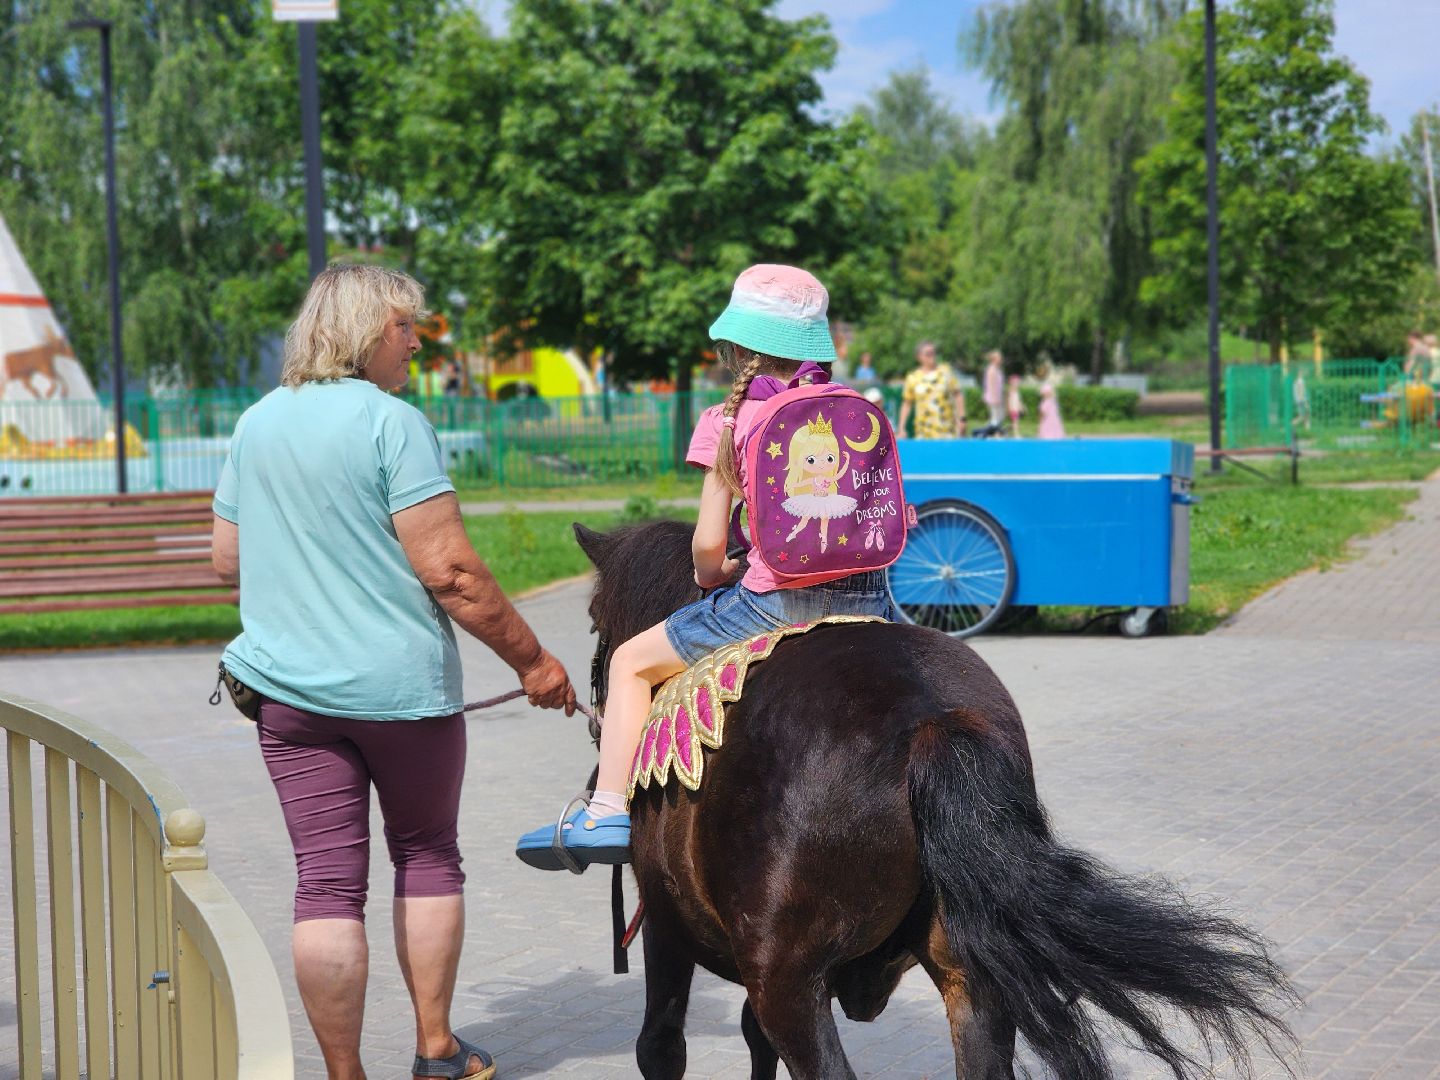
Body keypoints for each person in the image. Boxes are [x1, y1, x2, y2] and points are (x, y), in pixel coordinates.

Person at [211, 264, 577, 1080]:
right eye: (405, 326)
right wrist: (535, 661)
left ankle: (344, 1073)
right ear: (365, 331)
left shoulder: (256, 422)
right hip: (401, 697)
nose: (415, 342)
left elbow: (226, 561)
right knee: (426, 854)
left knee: (325, 886)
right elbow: (452, 572)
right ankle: (436, 1049)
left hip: (288, 697)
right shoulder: (393, 423)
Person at [515, 264, 897, 866]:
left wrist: (711, 577)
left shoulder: (729, 420)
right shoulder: (855, 407)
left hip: (774, 604)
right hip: (871, 598)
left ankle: (606, 811)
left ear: (737, 349)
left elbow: (709, 544)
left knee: (629, 662)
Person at [898, 340, 965, 438]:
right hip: (924, 432)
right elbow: (907, 403)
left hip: (947, 430)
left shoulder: (945, 372)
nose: (932, 356)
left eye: (934, 353)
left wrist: (962, 418)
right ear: (919, 357)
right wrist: (901, 428)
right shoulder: (913, 378)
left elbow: (957, 394)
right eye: (928, 354)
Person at [1036, 362, 1066, 439]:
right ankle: (1048, 434)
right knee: (1047, 419)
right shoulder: (1045, 383)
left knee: (1047, 419)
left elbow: (1049, 393)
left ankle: (1048, 434)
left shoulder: (1046, 383)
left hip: (1048, 404)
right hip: (1049, 404)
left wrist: (1047, 396)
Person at [982, 349, 1006, 428]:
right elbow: (991, 385)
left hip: (997, 396)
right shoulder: (992, 369)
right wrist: (995, 399)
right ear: (995, 359)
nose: (1001, 359)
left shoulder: (996, 369)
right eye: (1000, 357)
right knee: (995, 419)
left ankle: (992, 431)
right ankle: (989, 433)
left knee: (998, 418)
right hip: (993, 398)